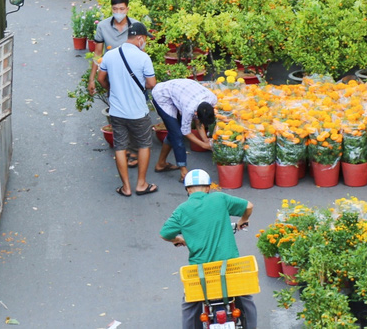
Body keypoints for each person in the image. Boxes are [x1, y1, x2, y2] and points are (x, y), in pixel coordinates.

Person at [160, 169, 256, 329]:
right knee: (246, 298)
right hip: (230, 269)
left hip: (201, 274)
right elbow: (249, 206)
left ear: (188, 190)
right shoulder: (220, 198)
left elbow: (164, 234)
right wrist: (242, 220)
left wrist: (179, 239)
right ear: (207, 188)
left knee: (189, 305)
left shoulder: (182, 210)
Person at [97, 21, 158, 197]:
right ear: (140, 38)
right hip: (138, 112)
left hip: (117, 112)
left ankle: (126, 187)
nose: (145, 42)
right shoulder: (143, 58)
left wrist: (111, 90)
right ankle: (141, 184)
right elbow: (151, 84)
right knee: (144, 145)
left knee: (120, 147)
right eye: (145, 39)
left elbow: (101, 78)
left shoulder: (110, 55)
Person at [151, 79, 217, 180]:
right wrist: (203, 145)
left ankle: (161, 164)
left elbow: (198, 121)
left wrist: (205, 139)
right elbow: (185, 132)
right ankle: (183, 172)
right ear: (196, 113)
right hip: (162, 96)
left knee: (174, 131)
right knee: (177, 134)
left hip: (180, 93)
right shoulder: (189, 109)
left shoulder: (212, 99)